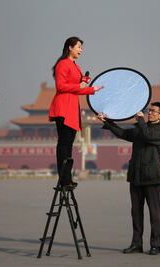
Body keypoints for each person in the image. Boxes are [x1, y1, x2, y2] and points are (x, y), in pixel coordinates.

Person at [97, 102, 160, 255]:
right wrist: (107, 122)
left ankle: (156, 245)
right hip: (135, 176)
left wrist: (141, 121)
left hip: (151, 178)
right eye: (149, 110)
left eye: (153, 111)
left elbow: (147, 136)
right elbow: (123, 134)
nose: (150, 113)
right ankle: (137, 244)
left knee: (155, 214)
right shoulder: (140, 128)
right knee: (136, 212)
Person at [49, 36, 103, 188]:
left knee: (69, 145)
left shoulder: (76, 66)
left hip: (72, 107)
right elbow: (61, 87)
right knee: (64, 144)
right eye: (79, 46)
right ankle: (63, 179)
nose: (81, 50)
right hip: (63, 106)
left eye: (81, 47)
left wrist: (91, 88)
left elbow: (77, 88)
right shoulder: (62, 64)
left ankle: (67, 178)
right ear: (70, 47)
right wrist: (80, 85)